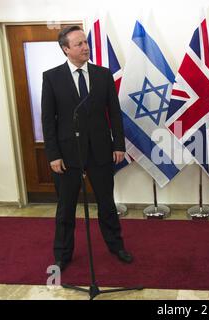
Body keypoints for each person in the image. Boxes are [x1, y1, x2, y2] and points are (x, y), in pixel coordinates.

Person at [41, 26, 132, 272]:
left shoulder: (103, 75)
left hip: (101, 151)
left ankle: (116, 246)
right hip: (67, 156)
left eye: (86, 42)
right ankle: (62, 255)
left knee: (106, 204)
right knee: (66, 208)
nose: (85, 47)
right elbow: (48, 120)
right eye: (79, 44)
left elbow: (114, 112)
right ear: (66, 49)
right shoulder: (51, 77)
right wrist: (53, 155)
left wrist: (118, 144)